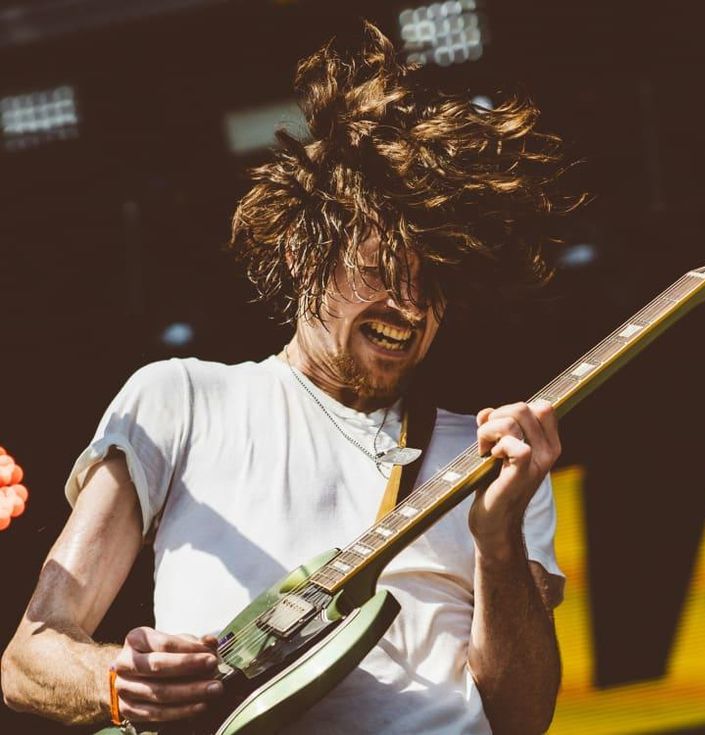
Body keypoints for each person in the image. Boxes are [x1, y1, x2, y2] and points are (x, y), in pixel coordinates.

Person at [1, 20, 582, 735]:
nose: (408, 304)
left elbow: (523, 717)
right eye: (381, 269)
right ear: (309, 254)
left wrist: (498, 542)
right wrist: (113, 678)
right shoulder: (180, 399)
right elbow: (28, 655)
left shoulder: (493, 464)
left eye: (432, 283)